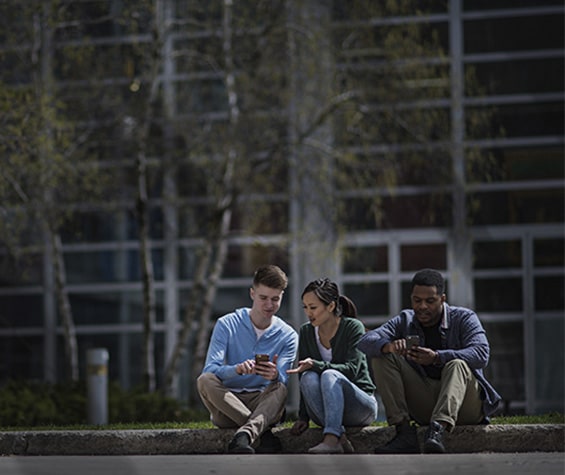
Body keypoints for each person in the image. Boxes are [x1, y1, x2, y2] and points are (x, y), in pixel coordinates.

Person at [358, 268, 502, 454]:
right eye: (417, 301)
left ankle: (437, 431)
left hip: (465, 407)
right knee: (382, 357)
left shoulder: (464, 318)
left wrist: (437, 357)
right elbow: (363, 342)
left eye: (430, 301)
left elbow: (481, 354)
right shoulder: (405, 320)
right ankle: (403, 433)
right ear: (411, 299)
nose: (422, 306)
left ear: (442, 299)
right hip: (426, 402)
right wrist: (389, 346)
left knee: (456, 364)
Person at [197, 265, 298, 454]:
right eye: (263, 298)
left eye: (275, 299)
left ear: (282, 297)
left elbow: (283, 379)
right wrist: (236, 370)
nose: (269, 305)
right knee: (205, 380)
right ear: (252, 294)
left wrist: (275, 374)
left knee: (280, 387)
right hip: (227, 404)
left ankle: (244, 436)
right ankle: (261, 432)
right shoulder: (226, 324)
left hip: (262, 402)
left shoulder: (288, 335)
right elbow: (210, 368)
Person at [287, 278, 378, 454]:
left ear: (330, 306)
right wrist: (303, 417)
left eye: (313, 307)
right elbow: (303, 373)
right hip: (326, 409)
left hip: (360, 406)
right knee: (307, 376)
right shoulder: (306, 331)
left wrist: (316, 364)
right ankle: (339, 436)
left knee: (329, 374)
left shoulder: (353, 327)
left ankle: (331, 440)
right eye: (305, 307)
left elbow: (352, 370)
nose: (308, 313)